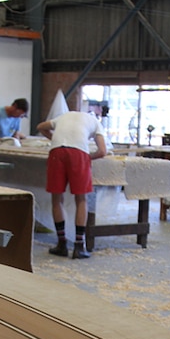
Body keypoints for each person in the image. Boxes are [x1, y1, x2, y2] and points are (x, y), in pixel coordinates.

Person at [36, 111, 108, 259]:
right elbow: (102, 151)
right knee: (81, 199)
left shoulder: (63, 116)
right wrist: (88, 157)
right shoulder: (95, 122)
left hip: (57, 151)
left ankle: (61, 244)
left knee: (57, 199)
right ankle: (79, 246)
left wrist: (53, 138)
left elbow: (40, 126)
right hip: (78, 152)